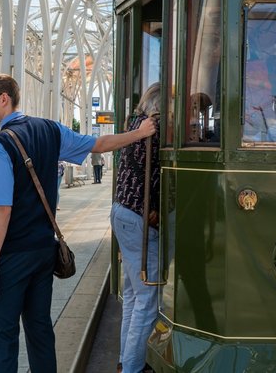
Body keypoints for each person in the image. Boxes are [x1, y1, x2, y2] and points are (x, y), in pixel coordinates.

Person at [0, 73, 155, 373]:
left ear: (2, 99)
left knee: (4, 337)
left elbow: (2, 211)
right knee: (41, 330)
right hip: (45, 251)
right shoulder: (50, 130)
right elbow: (100, 143)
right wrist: (140, 133)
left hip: (12, 256)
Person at [111, 83, 161, 373]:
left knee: (132, 295)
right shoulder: (151, 128)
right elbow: (151, 176)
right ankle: (132, 368)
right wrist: (152, 208)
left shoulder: (134, 124)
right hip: (136, 219)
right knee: (147, 299)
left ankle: (125, 362)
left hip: (121, 212)